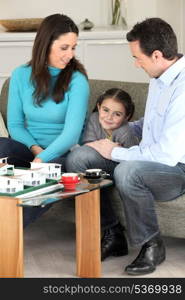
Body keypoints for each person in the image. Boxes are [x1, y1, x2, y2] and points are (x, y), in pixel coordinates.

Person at [82, 17, 185, 275]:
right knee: (81, 159)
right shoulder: (160, 75)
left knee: (126, 171)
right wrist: (125, 127)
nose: (136, 63)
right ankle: (112, 232)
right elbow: (152, 124)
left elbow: (166, 154)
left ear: (157, 55)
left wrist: (114, 151)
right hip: (152, 159)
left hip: (176, 169)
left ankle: (152, 244)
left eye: (138, 57)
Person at [0, 14, 89, 226]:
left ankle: (8, 231)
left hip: (62, 154)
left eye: (74, 48)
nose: (70, 55)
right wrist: (36, 152)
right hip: (31, 150)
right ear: (45, 44)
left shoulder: (77, 80)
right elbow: (15, 125)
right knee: (2, 146)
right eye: (64, 47)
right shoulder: (20, 75)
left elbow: (71, 134)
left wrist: (42, 159)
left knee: (48, 172)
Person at [66, 87, 139, 260]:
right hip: (97, 166)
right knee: (70, 166)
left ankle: (111, 230)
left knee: (76, 158)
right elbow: (88, 144)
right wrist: (101, 147)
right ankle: (113, 231)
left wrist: (103, 148)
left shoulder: (125, 131)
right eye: (105, 110)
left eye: (117, 114)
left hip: (120, 168)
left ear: (126, 117)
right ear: (98, 107)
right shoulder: (93, 119)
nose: (108, 117)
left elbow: (131, 160)